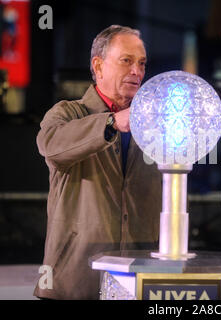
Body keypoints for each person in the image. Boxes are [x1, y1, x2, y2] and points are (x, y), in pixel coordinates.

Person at [34, 25, 162, 299]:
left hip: (139, 282)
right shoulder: (67, 113)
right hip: (75, 281)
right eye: (126, 60)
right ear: (98, 65)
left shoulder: (154, 124)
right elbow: (52, 146)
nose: (136, 71)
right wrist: (112, 122)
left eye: (142, 63)